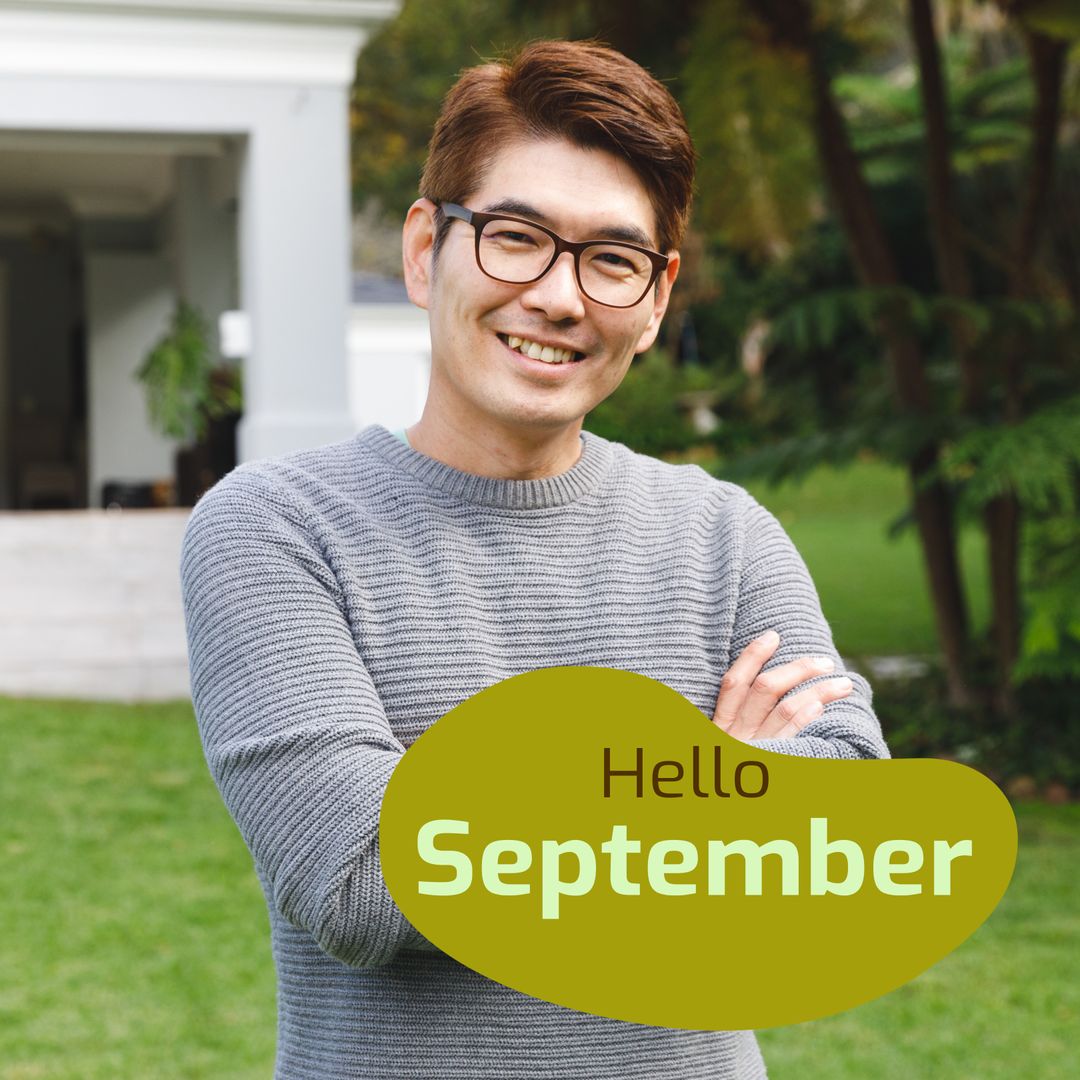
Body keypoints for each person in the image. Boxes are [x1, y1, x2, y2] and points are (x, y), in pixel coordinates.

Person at [180, 39, 889, 1080]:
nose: (560, 297)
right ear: (426, 250)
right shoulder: (275, 531)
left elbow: (844, 833)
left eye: (612, 258)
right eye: (517, 237)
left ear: (654, 299)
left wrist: (476, 812)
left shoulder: (724, 533)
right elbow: (361, 885)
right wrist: (715, 785)